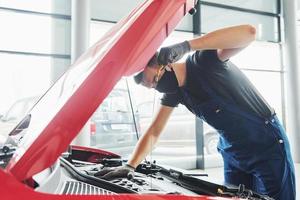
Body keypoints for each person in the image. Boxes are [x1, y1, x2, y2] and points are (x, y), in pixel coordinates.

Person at [95, 24, 295, 200]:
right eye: (152, 88)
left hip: (266, 146)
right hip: (233, 152)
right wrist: (130, 166)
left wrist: (186, 46)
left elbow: (249, 32)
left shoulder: (204, 62)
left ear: (165, 63)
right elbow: (154, 131)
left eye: (154, 80)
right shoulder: (176, 93)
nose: (157, 88)